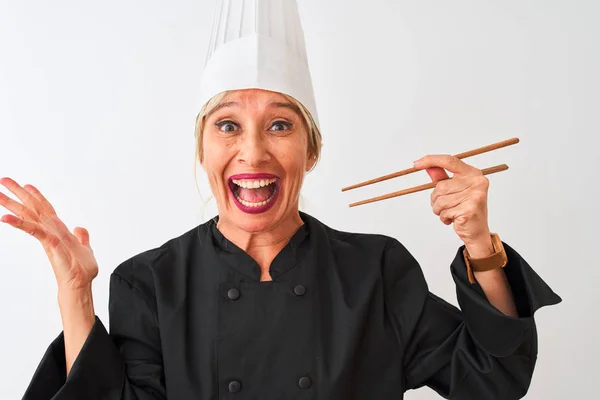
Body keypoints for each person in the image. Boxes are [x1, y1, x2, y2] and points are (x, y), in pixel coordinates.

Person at [0, 0, 561, 399]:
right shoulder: (148, 283)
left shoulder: (375, 270)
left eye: (279, 126)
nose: (252, 152)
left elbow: (493, 381)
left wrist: (480, 244)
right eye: (227, 126)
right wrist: (76, 295)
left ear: (310, 151)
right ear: (201, 148)